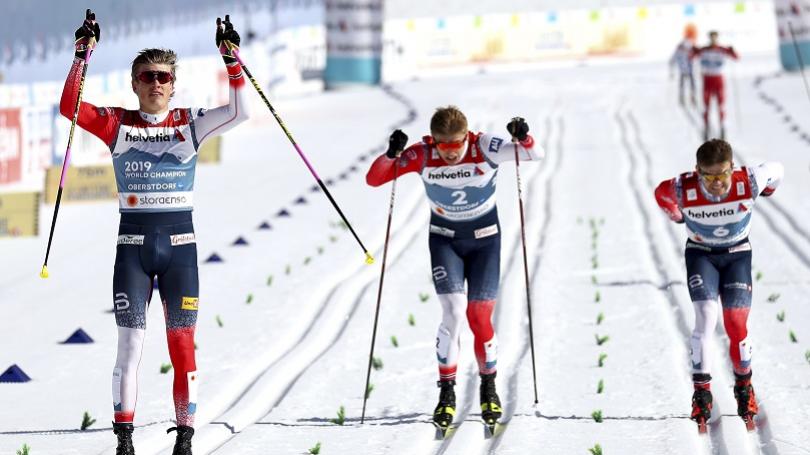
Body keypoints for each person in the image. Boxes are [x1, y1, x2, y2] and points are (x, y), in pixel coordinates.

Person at [61, 10, 248, 454]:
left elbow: (241, 111)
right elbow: (71, 107)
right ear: (135, 83)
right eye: (147, 76)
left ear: (173, 83)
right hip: (132, 250)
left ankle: (185, 436)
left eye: (164, 76)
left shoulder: (189, 121)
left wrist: (232, 59)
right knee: (129, 345)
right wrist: (81, 56)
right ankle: (123, 438)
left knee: (183, 346)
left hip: (181, 249)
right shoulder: (116, 123)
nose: (156, 83)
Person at [365, 106, 543, 432]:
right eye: (442, 145)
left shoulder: (484, 147)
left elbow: (533, 153)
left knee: (478, 317)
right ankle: (446, 392)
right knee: (453, 312)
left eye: (455, 145)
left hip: (485, 242)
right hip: (445, 240)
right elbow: (375, 179)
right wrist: (392, 154)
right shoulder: (422, 154)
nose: (449, 153)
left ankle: (488, 387)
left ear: (467, 136)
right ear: (434, 140)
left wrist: (523, 135)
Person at [654, 139, 783, 433]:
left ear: (732, 168)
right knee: (705, 319)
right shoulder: (683, 187)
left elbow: (778, 169)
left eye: (722, 174)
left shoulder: (748, 181)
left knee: (736, 324)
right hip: (702, 256)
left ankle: (744, 386)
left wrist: (770, 189)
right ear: (696, 171)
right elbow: (660, 193)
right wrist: (676, 214)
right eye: (708, 176)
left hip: (737, 254)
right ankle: (701, 394)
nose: (716, 183)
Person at [690, 30, 739, 140]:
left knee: (721, 105)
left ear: (717, 38)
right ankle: (706, 127)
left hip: (718, 80)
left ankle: (722, 127)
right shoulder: (704, 50)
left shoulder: (721, 49)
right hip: (707, 80)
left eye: (715, 37)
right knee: (706, 106)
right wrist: (693, 50)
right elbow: (691, 57)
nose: (713, 40)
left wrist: (732, 50)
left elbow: (736, 57)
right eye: (711, 37)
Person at [669, 23, 698, 107]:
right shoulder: (680, 48)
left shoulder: (692, 48)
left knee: (690, 84)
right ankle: (683, 97)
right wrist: (672, 69)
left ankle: (691, 96)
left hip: (689, 69)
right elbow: (673, 58)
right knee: (684, 84)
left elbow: (698, 58)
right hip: (684, 69)